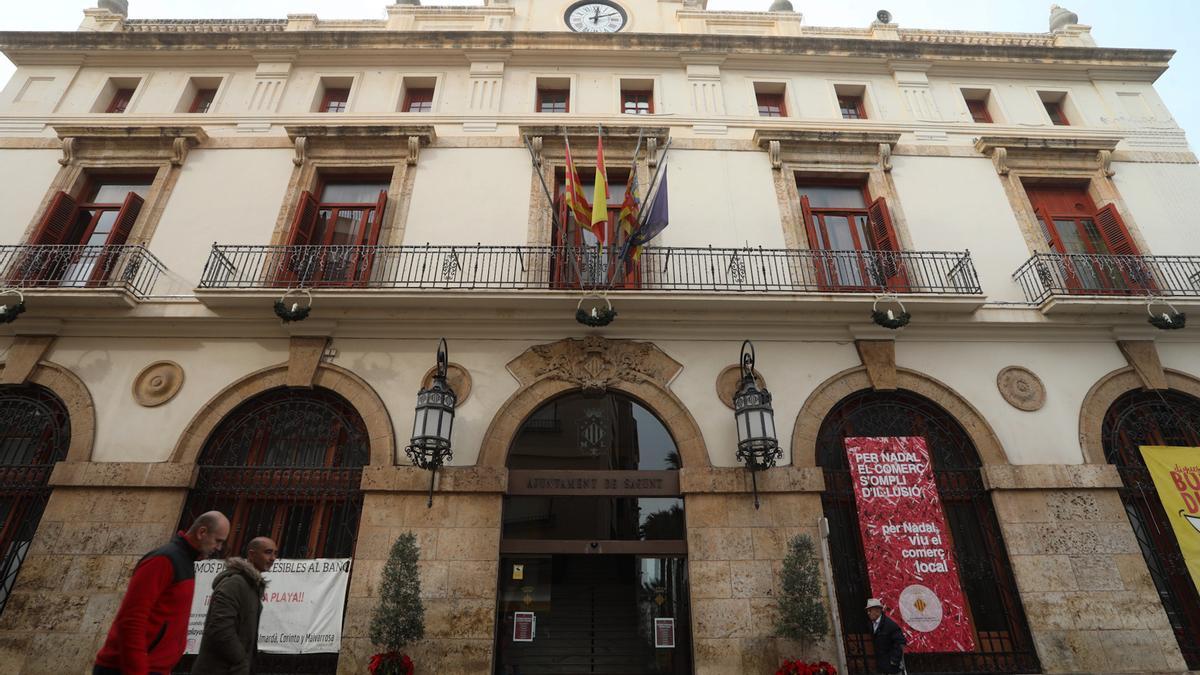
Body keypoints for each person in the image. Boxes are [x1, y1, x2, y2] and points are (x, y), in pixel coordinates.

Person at [94, 511, 230, 675]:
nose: (219, 548)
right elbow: (131, 619)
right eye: (218, 541)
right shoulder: (164, 560)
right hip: (126, 668)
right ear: (202, 532)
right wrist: (138, 670)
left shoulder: (186, 561)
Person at [191, 536, 278, 675]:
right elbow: (219, 627)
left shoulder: (251, 586)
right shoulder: (235, 583)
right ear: (251, 554)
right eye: (268, 552)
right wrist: (240, 659)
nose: (273, 558)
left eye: (275, 553)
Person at [866, 597, 906, 674]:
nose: (868, 613)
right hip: (881, 664)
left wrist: (894, 661)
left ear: (877, 611)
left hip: (892, 667)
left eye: (870, 610)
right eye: (868, 611)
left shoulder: (890, 625)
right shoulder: (871, 624)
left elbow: (900, 642)